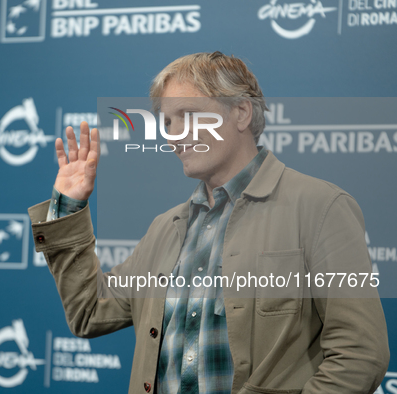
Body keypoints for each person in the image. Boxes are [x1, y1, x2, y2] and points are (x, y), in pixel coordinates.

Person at [28, 51, 389, 394]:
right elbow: (89, 311)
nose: (173, 134)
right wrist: (69, 205)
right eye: (167, 121)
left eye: (188, 115)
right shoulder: (165, 228)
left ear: (242, 112)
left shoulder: (320, 207)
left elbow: (360, 355)